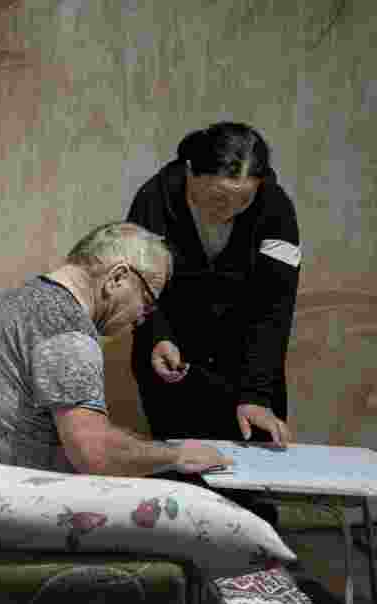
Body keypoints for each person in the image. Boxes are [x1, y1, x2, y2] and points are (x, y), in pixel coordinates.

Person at [0, 221, 233, 477]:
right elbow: (94, 452)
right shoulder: (66, 327)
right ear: (118, 278)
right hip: (22, 498)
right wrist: (178, 454)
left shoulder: (11, 299)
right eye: (147, 302)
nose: (141, 317)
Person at [126, 122, 300, 449]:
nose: (230, 211)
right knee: (185, 474)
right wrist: (157, 337)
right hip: (172, 360)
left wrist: (256, 394)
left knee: (253, 476)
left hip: (248, 364)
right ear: (192, 171)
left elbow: (275, 305)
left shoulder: (275, 207)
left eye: (244, 200)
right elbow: (138, 283)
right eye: (220, 197)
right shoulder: (153, 199)